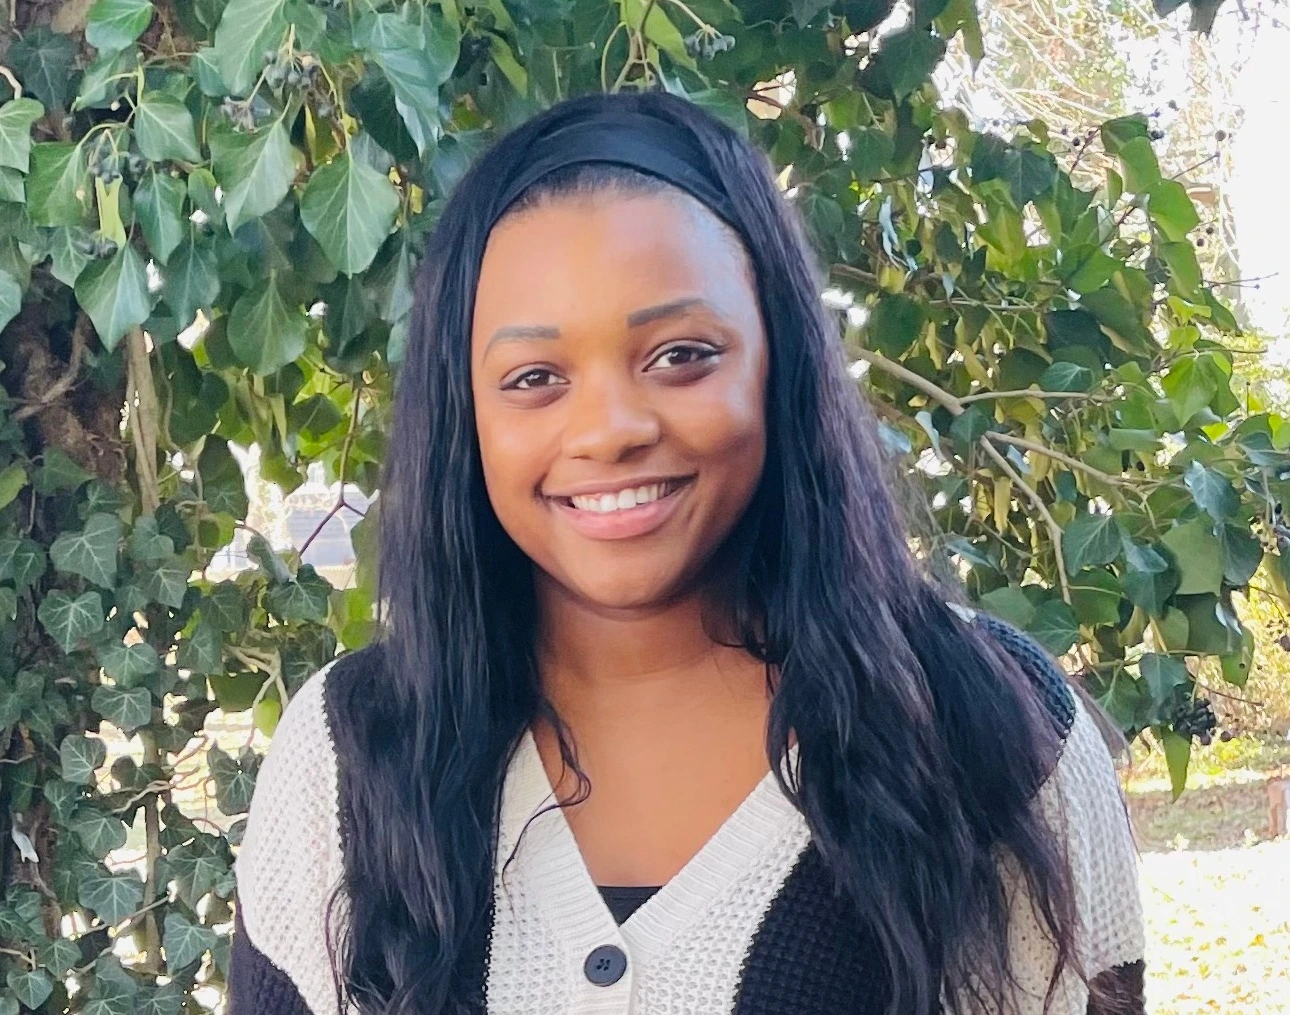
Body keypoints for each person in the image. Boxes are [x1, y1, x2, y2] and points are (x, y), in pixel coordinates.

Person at [229, 90, 1144, 1015]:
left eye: (681, 355)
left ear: (777, 360)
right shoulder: (349, 753)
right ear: (464, 414)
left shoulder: (993, 727)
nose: (611, 430)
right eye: (534, 378)